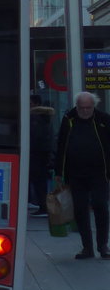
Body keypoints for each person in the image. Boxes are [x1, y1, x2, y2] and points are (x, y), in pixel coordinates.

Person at [54, 91, 110, 260]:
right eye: (82, 107)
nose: (85, 111)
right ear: (76, 106)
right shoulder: (68, 119)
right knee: (80, 209)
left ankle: (103, 245)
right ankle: (87, 247)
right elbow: (61, 146)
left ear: (94, 106)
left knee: (101, 205)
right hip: (76, 174)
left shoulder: (104, 119)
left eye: (88, 108)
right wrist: (58, 172)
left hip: (100, 173)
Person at [28, 94, 54, 217]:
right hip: (42, 153)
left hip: (36, 153)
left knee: (38, 181)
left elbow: (35, 137)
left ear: (36, 104)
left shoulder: (35, 118)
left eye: (30, 104)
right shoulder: (45, 118)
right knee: (39, 181)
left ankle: (42, 207)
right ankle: (41, 205)